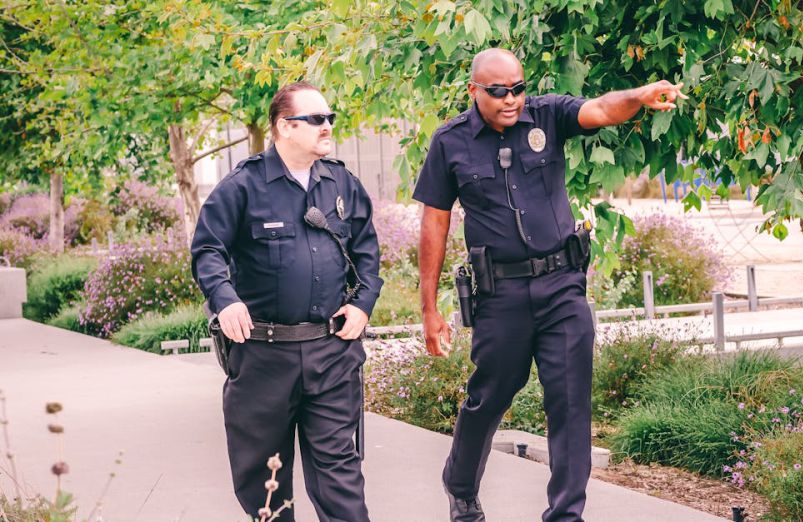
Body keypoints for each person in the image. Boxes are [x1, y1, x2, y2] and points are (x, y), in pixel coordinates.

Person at [413, 49, 685, 522]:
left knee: (570, 402)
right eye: (499, 91)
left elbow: (601, 108)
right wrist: (429, 308)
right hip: (501, 296)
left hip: (562, 287)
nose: (512, 99)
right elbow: (434, 224)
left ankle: (565, 514)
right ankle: (460, 486)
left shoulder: (547, 114)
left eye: (518, 87)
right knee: (490, 395)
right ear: (474, 90)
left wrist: (639, 97)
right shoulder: (450, 142)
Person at [191, 81, 382, 522]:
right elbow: (207, 250)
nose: (327, 126)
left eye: (329, 118)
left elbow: (368, 253)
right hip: (263, 357)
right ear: (284, 127)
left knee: (341, 476)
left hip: (331, 352)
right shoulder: (243, 187)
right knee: (265, 486)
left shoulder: (342, 184)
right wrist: (225, 300)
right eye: (316, 119)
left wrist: (363, 304)